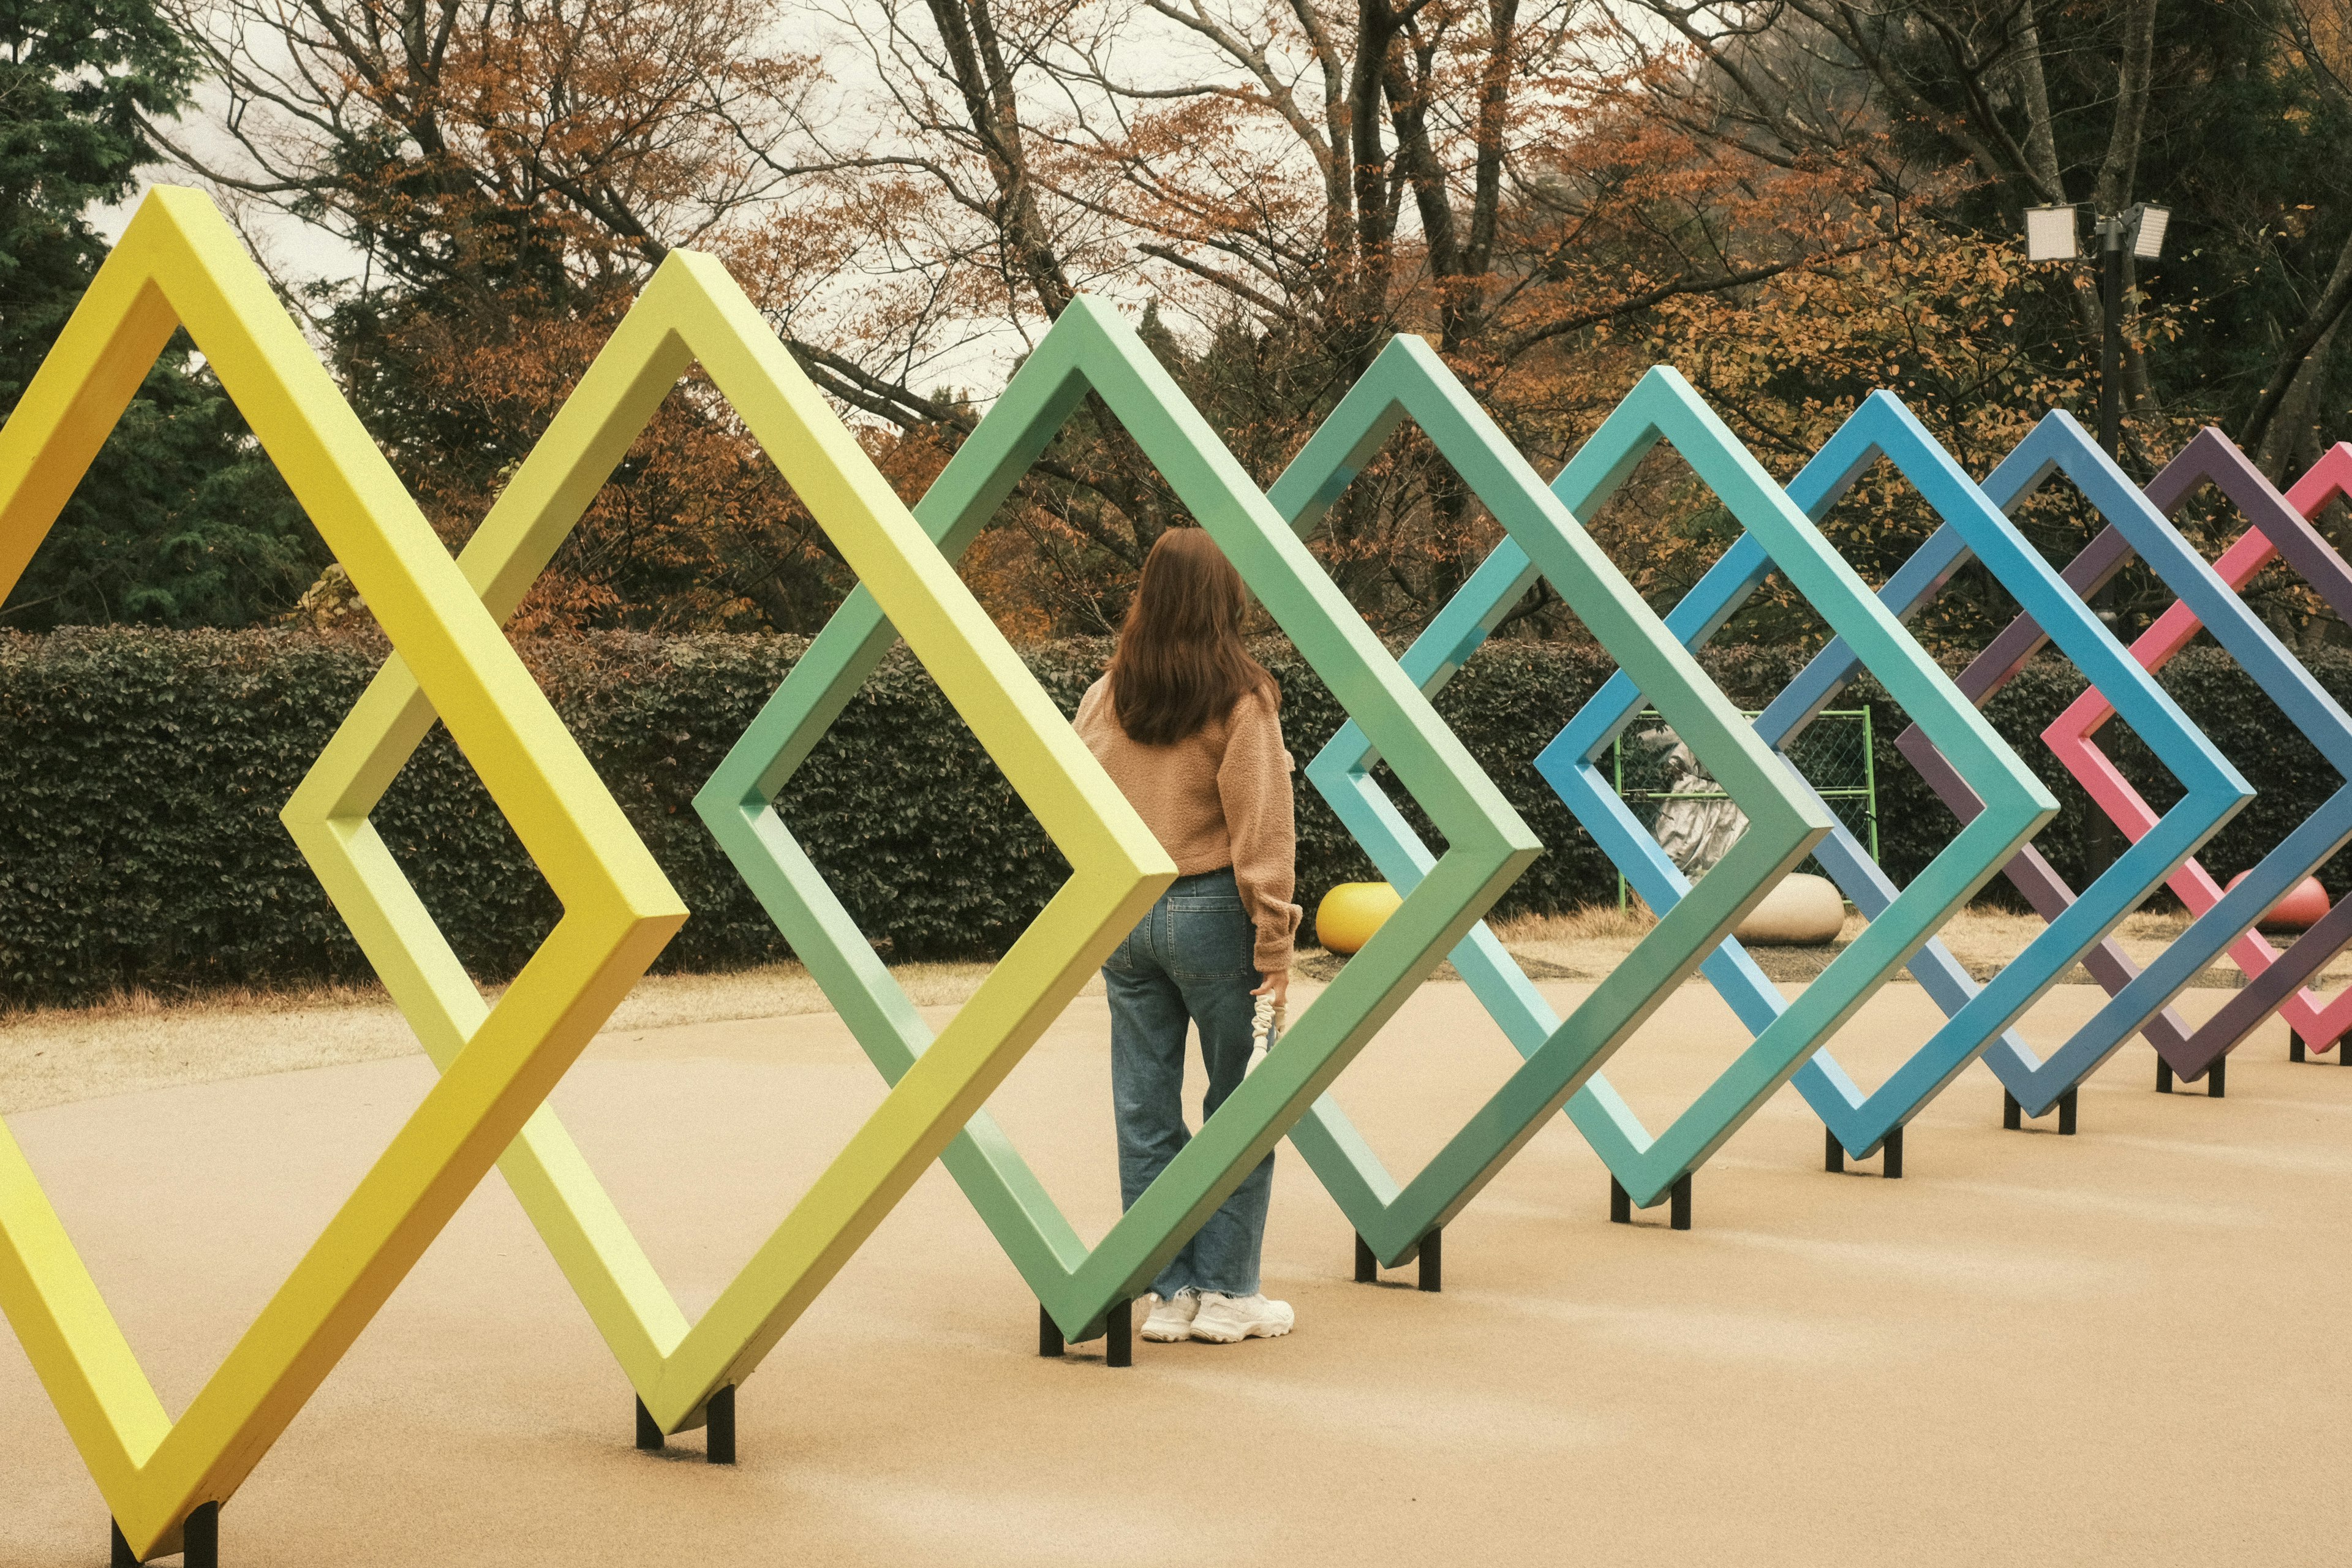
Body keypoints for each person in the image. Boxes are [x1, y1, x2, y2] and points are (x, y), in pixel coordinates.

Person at [1074, 527, 1300, 1345]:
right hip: (1213, 913)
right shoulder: (1242, 697)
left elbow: (1077, 804)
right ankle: (1229, 1294)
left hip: (1124, 918)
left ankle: (1167, 1290)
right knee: (1243, 1102)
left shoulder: (1106, 696)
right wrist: (1274, 946)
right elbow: (1263, 828)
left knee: (1145, 1110)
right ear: (1224, 600)